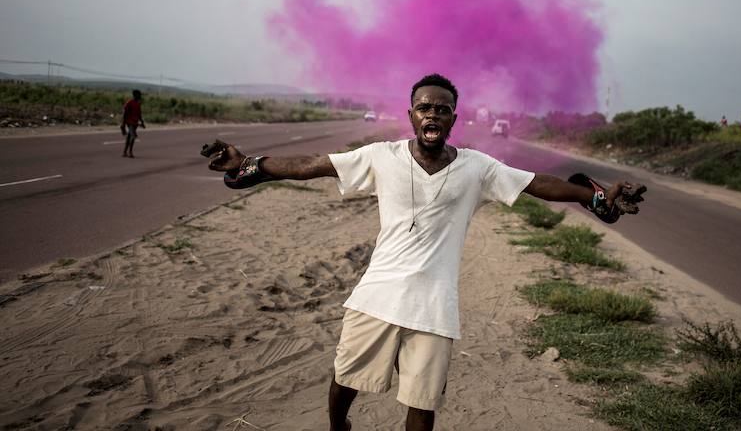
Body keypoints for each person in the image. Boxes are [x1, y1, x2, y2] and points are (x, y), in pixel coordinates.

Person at [203, 74, 645, 431]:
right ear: (411, 114)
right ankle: (340, 428)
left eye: (442, 108)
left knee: (423, 401)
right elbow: (312, 165)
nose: (432, 113)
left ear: (454, 117)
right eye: (424, 107)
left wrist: (594, 198)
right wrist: (251, 166)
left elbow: (535, 184)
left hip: (435, 304)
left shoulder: (478, 167)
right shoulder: (382, 156)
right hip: (377, 295)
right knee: (344, 379)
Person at [120, 89, 145, 158]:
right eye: (139, 94)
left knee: (129, 137)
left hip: (135, 123)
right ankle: (130, 152)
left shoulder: (138, 104)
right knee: (133, 136)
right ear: (135, 95)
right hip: (129, 122)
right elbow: (124, 113)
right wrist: (123, 123)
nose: (140, 96)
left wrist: (142, 123)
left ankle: (124, 152)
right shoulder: (129, 102)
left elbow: (139, 114)